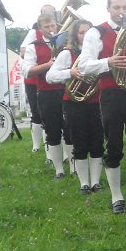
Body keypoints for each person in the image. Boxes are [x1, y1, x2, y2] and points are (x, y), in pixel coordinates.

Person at [77, 0, 126, 213]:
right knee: (113, 145)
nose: (122, 12)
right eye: (117, 7)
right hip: (111, 94)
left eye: (125, 7)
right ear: (108, 8)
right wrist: (109, 61)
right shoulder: (96, 32)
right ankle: (117, 197)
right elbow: (84, 66)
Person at [46, 19, 104, 194]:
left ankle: (96, 182)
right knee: (79, 142)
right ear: (75, 35)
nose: (85, 35)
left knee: (97, 143)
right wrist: (69, 72)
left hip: (97, 102)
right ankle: (83, 183)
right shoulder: (67, 54)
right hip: (73, 103)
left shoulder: (99, 53)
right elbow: (50, 76)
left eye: (88, 32)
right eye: (81, 32)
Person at [21, 13, 69, 178]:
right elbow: (27, 71)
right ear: (40, 29)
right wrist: (47, 65)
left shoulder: (65, 42)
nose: (51, 30)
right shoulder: (34, 46)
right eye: (47, 27)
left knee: (69, 129)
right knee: (52, 131)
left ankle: (74, 166)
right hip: (46, 93)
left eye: (53, 26)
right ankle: (59, 170)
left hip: (66, 90)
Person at [20, 4, 57, 156]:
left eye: (51, 13)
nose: (50, 28)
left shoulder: (61, 35)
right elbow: (23, 51)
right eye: (45, 12)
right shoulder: (33, 33)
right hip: (36, 81)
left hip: (56, 84)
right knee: (38, 114)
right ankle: (37, 146)